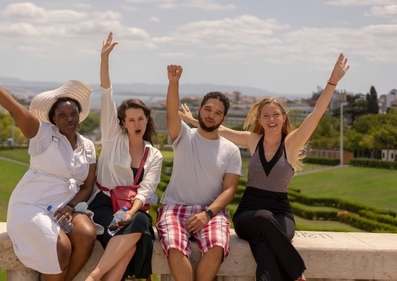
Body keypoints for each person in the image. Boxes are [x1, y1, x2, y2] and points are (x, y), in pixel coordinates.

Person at [179, 53, 350, 281]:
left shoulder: (291, 144)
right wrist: (193, 121)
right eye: (266, 115)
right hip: (250, 213)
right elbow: (218, 130)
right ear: (259, 120)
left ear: (283, 118)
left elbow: (316, 114)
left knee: (265, 246)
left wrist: (332, 82)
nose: (271, 119)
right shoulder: (253, 141)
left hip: (281, 213)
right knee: (263, 219)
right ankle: (297, 274)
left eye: (275, 115)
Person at [0, 57, 102, 281]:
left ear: (80, 115)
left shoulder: (87, 146)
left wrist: (70, 206)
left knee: (87, 236)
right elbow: (12, 105)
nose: (69, 118)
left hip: (65, 207)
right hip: (33, 205)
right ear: (53, 119)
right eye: (62, 115)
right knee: (61, 248)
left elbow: (88, 185)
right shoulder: (43, 134)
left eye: (73, 113)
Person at [85, 32, 163, 281]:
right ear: (123, 122)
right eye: (131, 119)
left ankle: (94, 277)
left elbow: (146, 189)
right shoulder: (111, 137)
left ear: (147, 120)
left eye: (141, 118)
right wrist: (104, 59)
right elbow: (106, 94)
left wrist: (129, 213)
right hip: (103, 204)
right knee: (129, 245)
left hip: (130, 208)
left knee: (139, 220)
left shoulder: (154, 154)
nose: (137, 123)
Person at [157, 64, 242, 281]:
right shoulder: (184, 136)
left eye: (217, 113)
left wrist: (208, 214)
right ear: (200, 109)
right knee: (174, 246)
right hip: (175, 207)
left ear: (223, 119)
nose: (211, 115)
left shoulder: (231, 150)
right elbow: (171, 114)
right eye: (208, 109)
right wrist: (173, 82)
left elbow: (230, 190)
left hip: (210, 212)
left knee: (218, 246)